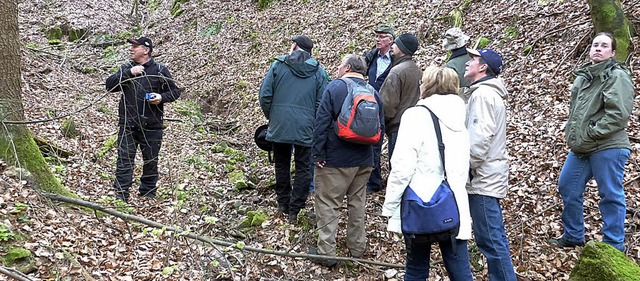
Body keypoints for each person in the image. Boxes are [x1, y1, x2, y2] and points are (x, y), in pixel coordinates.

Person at [382, 66, 473, 280]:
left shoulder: (415, 115)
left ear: (428, 86)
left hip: (419, 201)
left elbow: (402, 166)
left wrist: (391, 205)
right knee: (460, 269)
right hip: (454, 199)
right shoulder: (462, 114)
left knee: (416, 267)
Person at [549, 32, 634, 252]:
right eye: (595, 45)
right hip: (582, 147)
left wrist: (592, 132)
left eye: (604, 46)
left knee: (610, 194)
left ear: (613, 52)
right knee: (567, 185)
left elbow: (619, 114)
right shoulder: (583, 77)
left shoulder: (617, 76)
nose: (598, 48)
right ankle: (574, 235)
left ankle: (614, 245)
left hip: (608, 145)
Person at [308, 54, 384, 267]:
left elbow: (321, 123)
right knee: (357, 205)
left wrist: (318, 155)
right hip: (364, 161)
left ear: (347, 67)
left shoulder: (335, 88)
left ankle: (327, 253)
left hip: (335, 160)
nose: (338, 69)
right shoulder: (373, 93)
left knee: (328, 204)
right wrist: (374, 160)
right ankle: (357, 248)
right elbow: (381, 129)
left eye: (340, 66)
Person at [258, 35, 329, 223]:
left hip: (280, 123)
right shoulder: (319, 72)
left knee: (281, 164)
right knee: (304, 167)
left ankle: (283, 203)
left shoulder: (278, 66)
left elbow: (265, 95)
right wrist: (312, 121)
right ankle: (295, 208)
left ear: (295, 46)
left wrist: (273, 116)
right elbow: (322, 103)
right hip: (306, 126)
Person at [106, 37, 181, 203]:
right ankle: (121, 195)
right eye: (131, 46)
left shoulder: (160, 70)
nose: (131, 49)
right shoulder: (127, 68)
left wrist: (161, 97)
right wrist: (128, 74)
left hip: (152, 126)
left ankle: (148, 193)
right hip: (128, 125)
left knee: (151, 161)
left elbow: (175, 92)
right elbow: (109, 86)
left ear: (146, 50)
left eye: (135, 46)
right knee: (124, 160)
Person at [463, 48, 517, 280]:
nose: (467, 63)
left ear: (483, 67)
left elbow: (479, 138)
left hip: (482, 178)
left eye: (472, 60)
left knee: (490, 240)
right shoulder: (485, 93)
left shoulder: (483, 95)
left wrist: (468, 169)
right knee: (492, 237)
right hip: (486, 175)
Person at [379, 33, 422, 165]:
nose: (392, 46)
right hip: (416, 126)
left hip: (397, 128)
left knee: (397, 167)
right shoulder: (418, 70)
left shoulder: (396, 72)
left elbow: (387, 105)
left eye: (396, 44)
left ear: (403, 49)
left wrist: (382, 122)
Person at [362, 23, 395, 194]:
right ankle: (373, 182)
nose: (378, 39)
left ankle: (393, 181)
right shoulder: (371, 57)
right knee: (372, 143)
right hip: (371, 107)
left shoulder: (396, 60)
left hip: (391, 108)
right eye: (376, 36)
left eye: (382, 36)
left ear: (391, 40)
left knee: (393, 147)